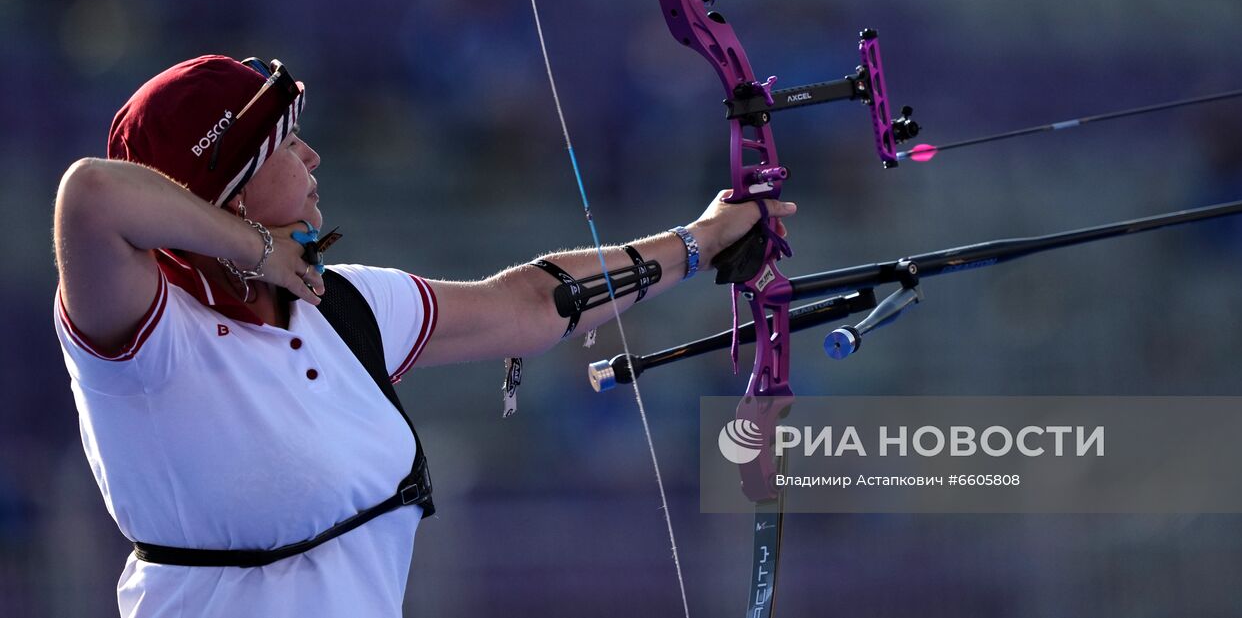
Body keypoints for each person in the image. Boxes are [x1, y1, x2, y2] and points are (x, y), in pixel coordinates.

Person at [52, 54, 794, 618]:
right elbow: (92, 193)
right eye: (285, 144)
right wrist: (258, 247)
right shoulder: (147, 337)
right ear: (229, 184)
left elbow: (534, 304)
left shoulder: (339, 305)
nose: (311, 157)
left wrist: (700, 240)